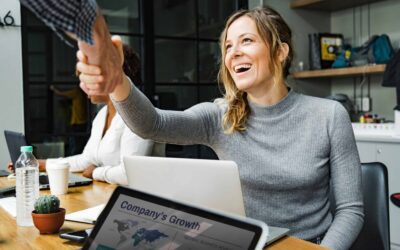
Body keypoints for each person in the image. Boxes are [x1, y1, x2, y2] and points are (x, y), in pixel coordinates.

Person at [18, 2, 363, 249]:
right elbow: (152, 123)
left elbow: (350, 211)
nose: (233, 53)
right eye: (228, 46)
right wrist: (117, 78)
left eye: (246, 41)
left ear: (281, 51)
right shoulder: (220, 115)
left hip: (307, 245)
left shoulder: (329, 115)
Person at [50, 85, 88, 155]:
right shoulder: (82, 96)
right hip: (82, 122)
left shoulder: (77, 92)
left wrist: (54, 89)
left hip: (77, 123)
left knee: (75, 144)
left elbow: (62, 93)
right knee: (78, 143)